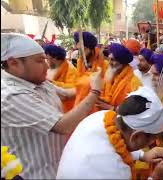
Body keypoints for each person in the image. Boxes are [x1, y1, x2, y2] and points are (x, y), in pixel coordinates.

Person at [1, 33, 103, 179]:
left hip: (56, 167)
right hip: (34, 174)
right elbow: (63, 126)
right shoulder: (10, 95)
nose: (47, 65)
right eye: (40, 61)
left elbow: (67, 94)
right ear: (13, 63)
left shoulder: (37, 81)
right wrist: (95, 91)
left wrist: (89, 81)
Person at [57, 87, 163, 179]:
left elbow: (117, 145)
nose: (151, 144)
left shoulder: (100, 117)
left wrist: (143, 155)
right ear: (136, 136)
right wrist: (156, 176)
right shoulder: (116, 172)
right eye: (151, 140)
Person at [96, 43, 142, 111]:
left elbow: (136, 108)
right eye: (109, 59)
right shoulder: (111, 75)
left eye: (113, 60)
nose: (109, 63)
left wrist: (112, 108)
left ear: (122, 62)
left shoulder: (134, 82)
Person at [44, 44, 77, 112]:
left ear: (54, 58)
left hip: (66, 109)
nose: (46, 60)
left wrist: (53, 83)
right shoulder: (48, 67)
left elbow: (74, 87)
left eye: (47, 58)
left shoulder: (70, 69)